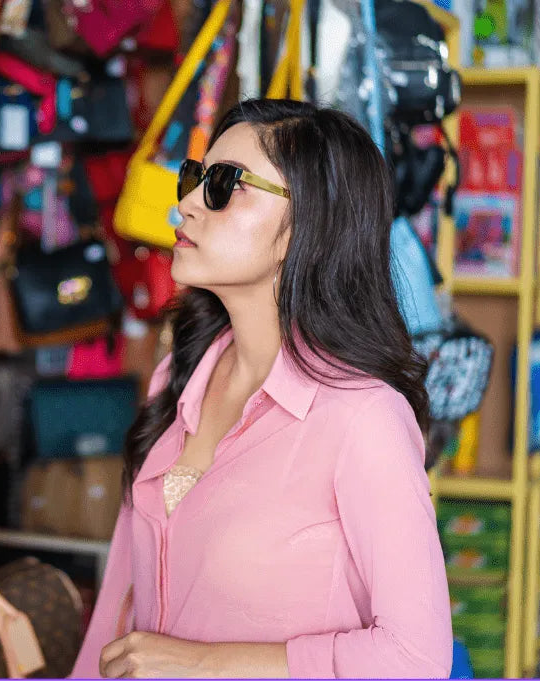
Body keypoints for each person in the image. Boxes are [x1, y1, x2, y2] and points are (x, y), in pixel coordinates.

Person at [71, 99, 452, 678]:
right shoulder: (179, 375)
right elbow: (118, 607)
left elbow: (416, 658)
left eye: (225, 184)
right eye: (195, 177)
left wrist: (202, 664)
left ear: (307, 226)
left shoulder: (363, 417)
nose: (186, 204)